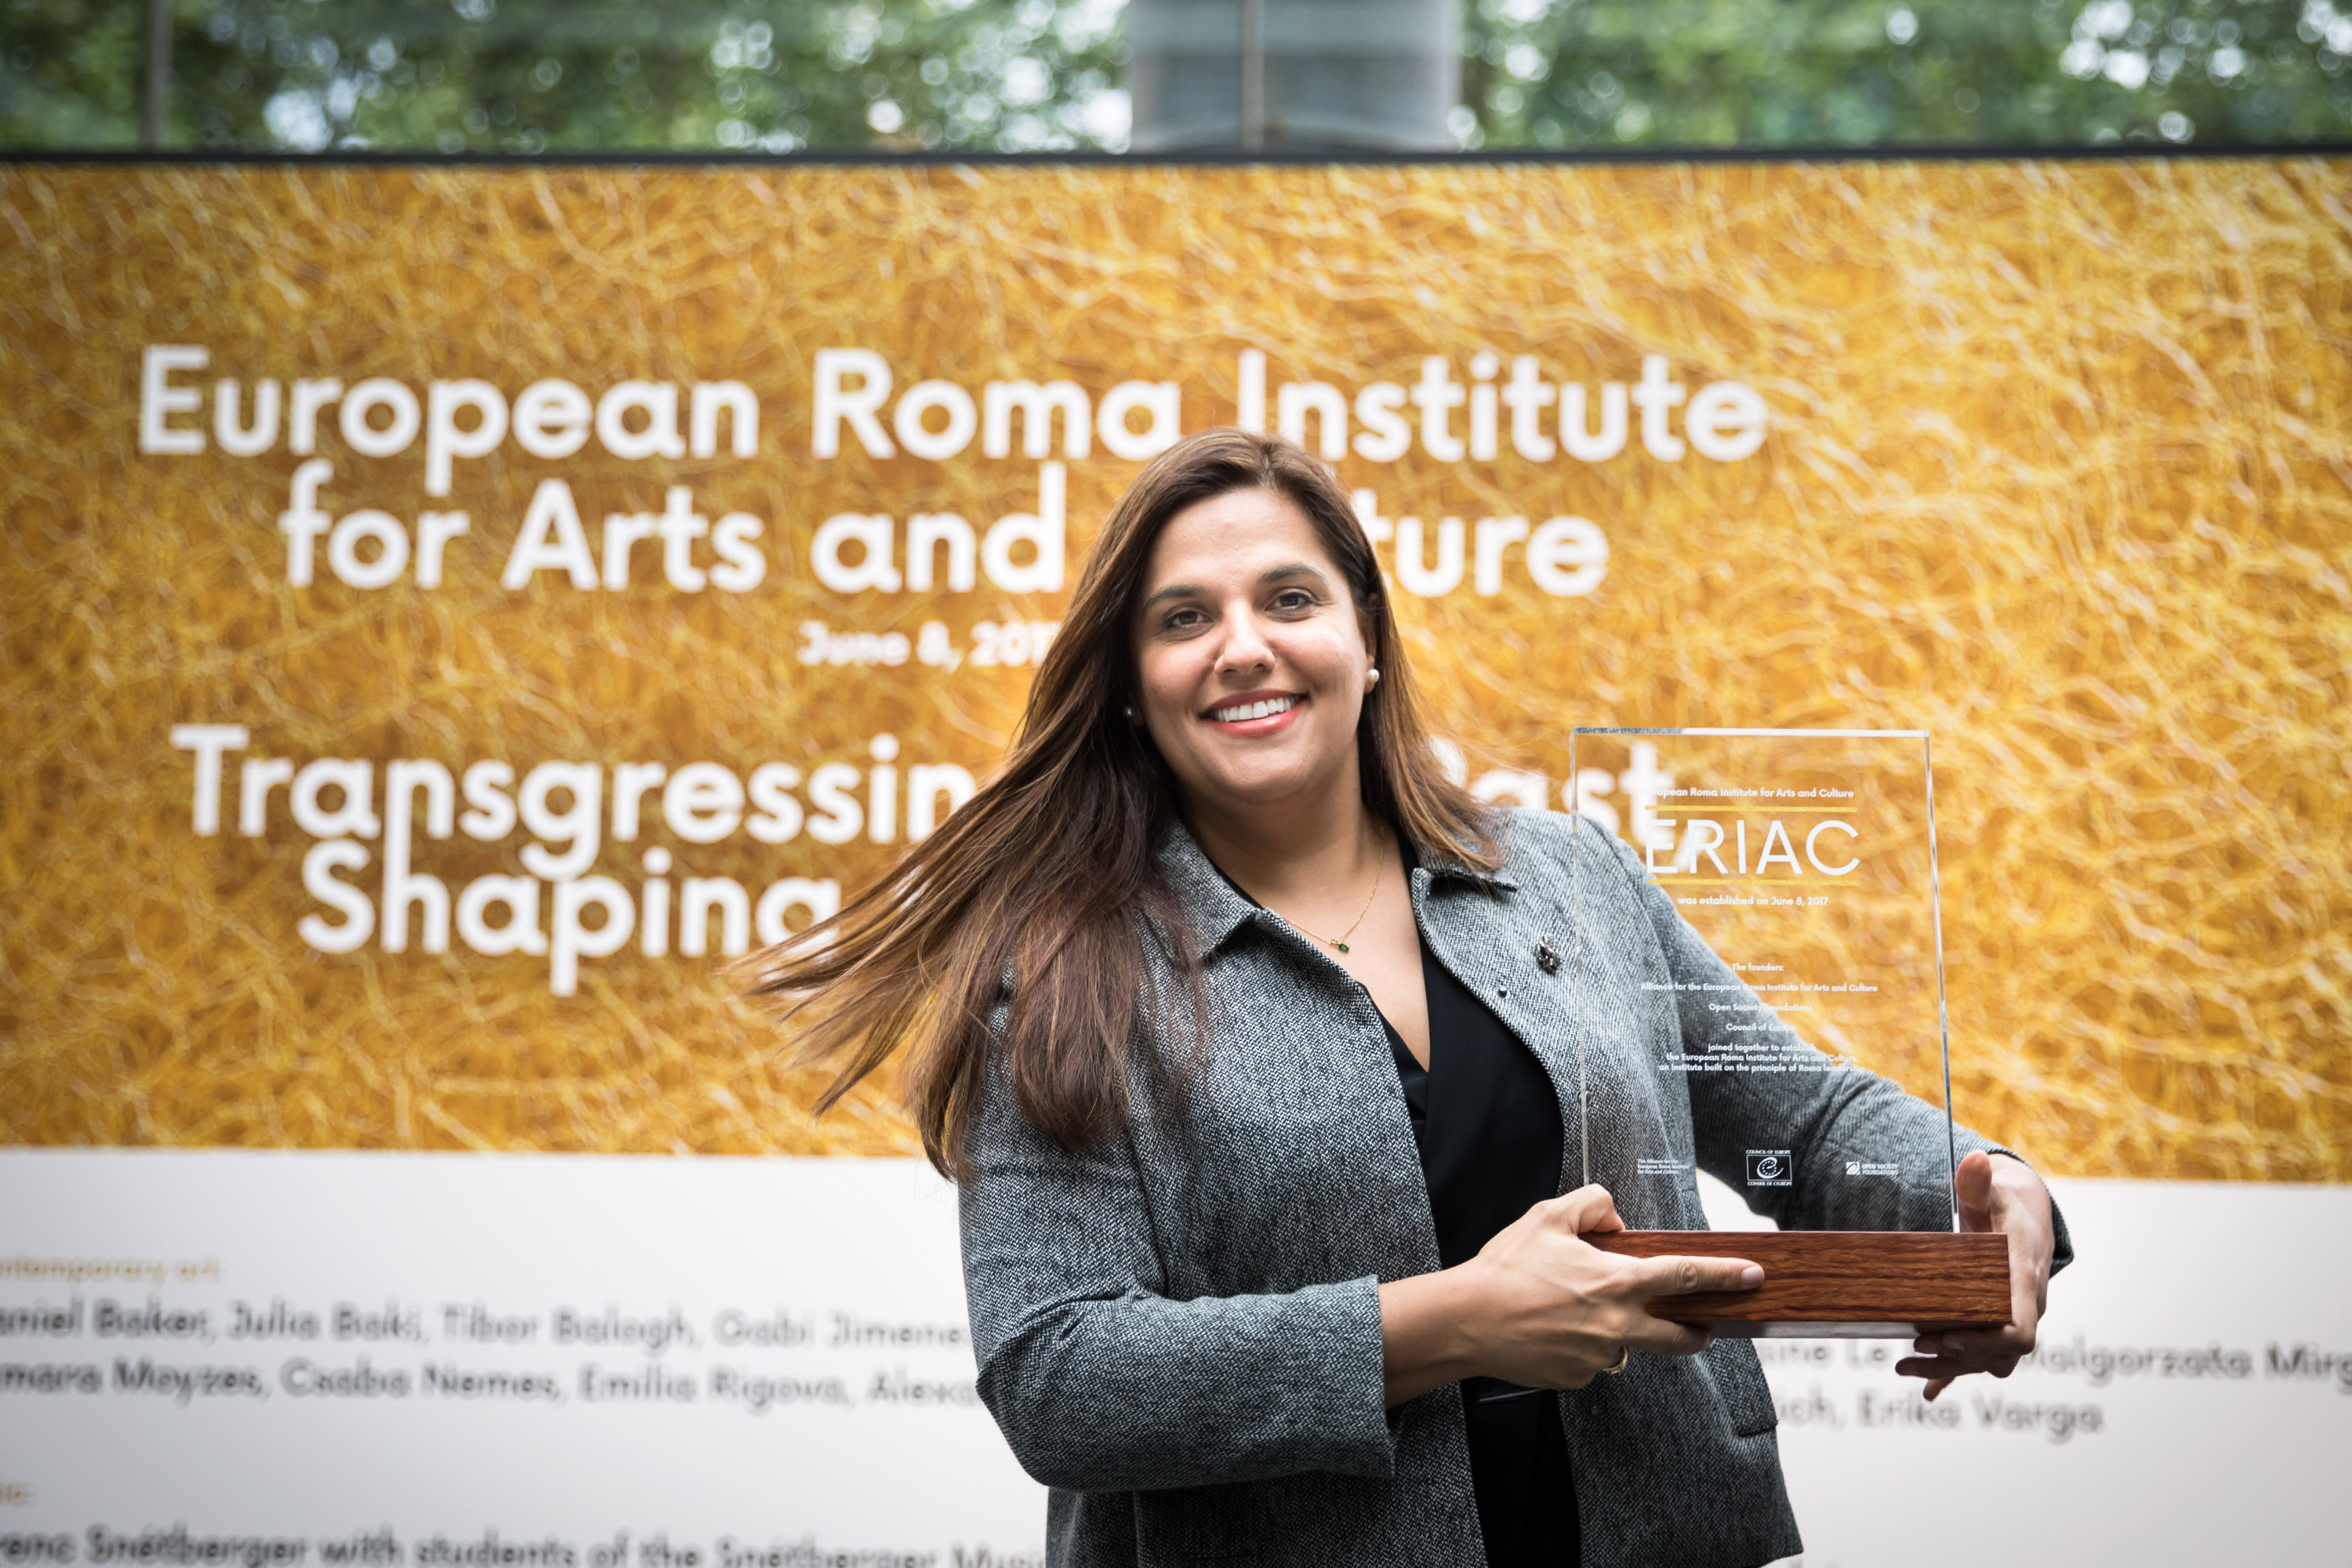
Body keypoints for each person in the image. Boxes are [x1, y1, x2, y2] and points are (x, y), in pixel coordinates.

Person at [750, 430, 2070, 1567]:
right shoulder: (1054, 978)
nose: (1243, 648)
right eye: (1184, 617)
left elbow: (1815, 1121)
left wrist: (1981, 1182)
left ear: (1367, 639)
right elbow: (1063, 1381)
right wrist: (1453, 1324)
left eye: (1288, 599)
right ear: (1135, 688)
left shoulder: (1568, 875)